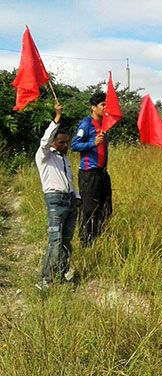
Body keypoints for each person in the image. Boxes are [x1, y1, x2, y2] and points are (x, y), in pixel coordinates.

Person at [35, 103, 79, 289]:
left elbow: (69, 179)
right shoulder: (45, 155)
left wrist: (76, 196)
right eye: (61, 142)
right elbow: (44, 141)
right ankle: (46, 279)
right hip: (55, 200)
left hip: (69, 200)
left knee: (66, 240)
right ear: (54, 142)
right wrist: (56, 119)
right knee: (56, 240)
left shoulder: (64, 159)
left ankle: (61, 274)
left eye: (67, 142)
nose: (65, 145)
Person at [71, 92, 112, 247]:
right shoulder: (86, 124)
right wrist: (92, 143)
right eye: (103, 105)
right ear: (93, 107)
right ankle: (86, 242)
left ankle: (99, 238)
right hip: (89, 173)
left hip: (102, 173)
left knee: (105, 207)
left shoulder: (104, 124)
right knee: (89, 209)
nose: (105, 107)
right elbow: (74, 145)